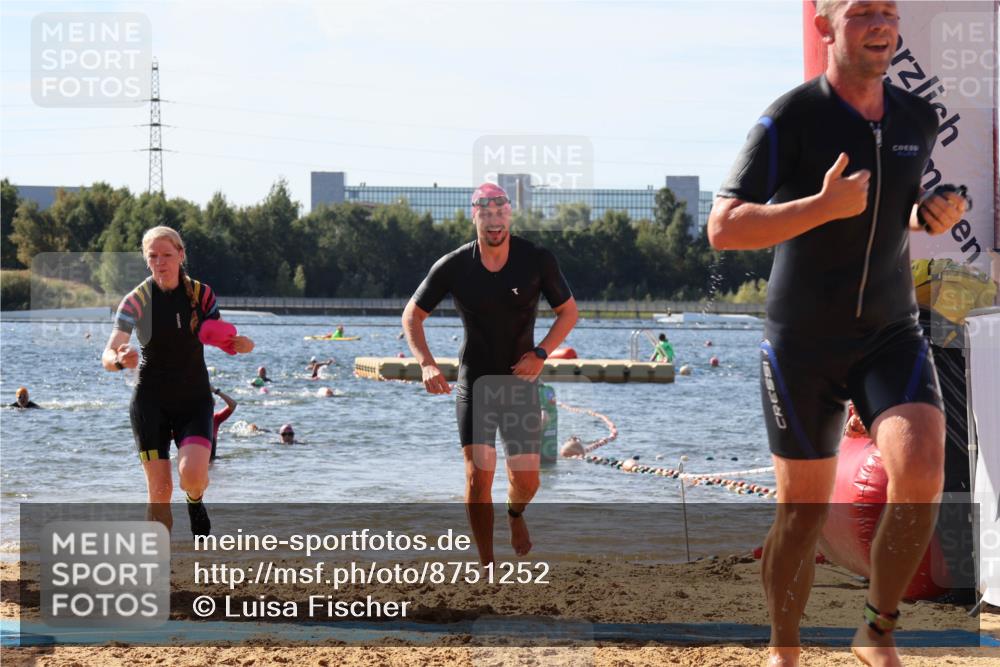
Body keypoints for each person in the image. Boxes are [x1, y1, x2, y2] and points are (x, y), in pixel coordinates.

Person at [707, 2, 969, 665]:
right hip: (802, 341)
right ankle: (784, 647)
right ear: (825, 25)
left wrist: (927, 214)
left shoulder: (918, 117)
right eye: (860, 13)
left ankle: (876, 630)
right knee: (801, 514)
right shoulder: (793, 116)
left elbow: (891, 208)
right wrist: (818, 207)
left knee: (923, 466)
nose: (879, 24)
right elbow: (725, 226)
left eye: (887, 11)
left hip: (888, 331)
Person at [402, 182, 578, 566]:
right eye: (486, 214)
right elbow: (412, 315)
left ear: (510, 214)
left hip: (520, 384)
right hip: (475, 383)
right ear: (474, 216)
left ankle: (515, 516)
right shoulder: (455, 265)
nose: (494, 222)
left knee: (527, 481)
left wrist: (541, 352)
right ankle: (487, 565)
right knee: (478, 473)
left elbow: (569, 312)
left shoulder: (536, 260)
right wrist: (427, 363)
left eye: (501, 214)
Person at [103, 226, 254, 537]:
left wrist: (241, 344)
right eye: (153, 256)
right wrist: (119, 359)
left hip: (194, 398)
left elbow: (219, 336)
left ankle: (195, 500)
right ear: (146, 260)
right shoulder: (137, 299)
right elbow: (108, 352)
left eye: (167, 255)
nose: (160, 262)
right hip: (150, 402)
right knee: (159, 493)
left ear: (181, 255)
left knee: (192, 477)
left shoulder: (202, 295)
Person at [210, 387, 237, 461]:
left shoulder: (215, 419)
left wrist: (216, 391)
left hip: (210, 460)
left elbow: (233, 404)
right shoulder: (191, 419)